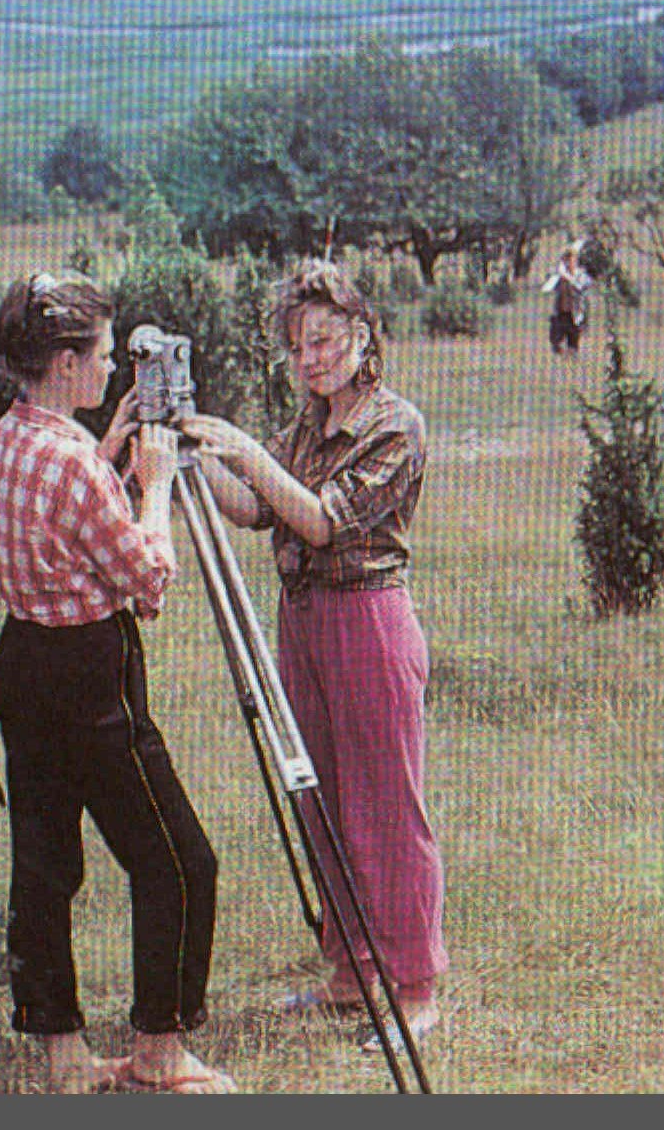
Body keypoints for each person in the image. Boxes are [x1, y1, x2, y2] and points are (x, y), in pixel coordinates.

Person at [0, 271, 231, 1095]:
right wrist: (151, 486)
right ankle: (159, 1049)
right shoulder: (76, 464)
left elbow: (61, 521)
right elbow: (148, 580)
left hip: (22, 662)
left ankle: (64, 1054)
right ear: (67, 362)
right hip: (90, 674)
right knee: (179, 860)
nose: (114, 368)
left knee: (43, 864)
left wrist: (107, 449)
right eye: (104, 354)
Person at [178, 259, 446, 1047]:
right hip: (302, 620)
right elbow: (261, 508)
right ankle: (351, 967)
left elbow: (324, 519)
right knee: (320, 796)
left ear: (363, 335)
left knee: (388, 803)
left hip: (368, 620)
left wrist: (243, 447)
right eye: (297, 347)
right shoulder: (305, 425)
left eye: (324, 340)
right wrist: (200, 455)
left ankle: (416, 983)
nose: (311, 358)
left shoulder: (397, 423)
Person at [539, 242, 593, 357]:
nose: (570, 262)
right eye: (567, 259)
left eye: (572, 259)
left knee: (573, 343)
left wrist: (569, 278)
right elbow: (546, 289)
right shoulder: (559, 276)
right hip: (560, 314)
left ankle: (571, 362)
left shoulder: (581, 275)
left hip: (575, 314)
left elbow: (582, 286)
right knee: (556, 342)